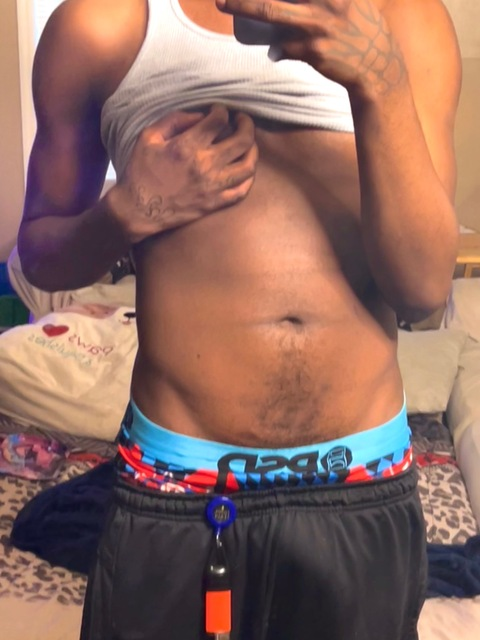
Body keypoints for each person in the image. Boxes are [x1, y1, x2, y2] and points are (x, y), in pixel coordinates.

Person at [17, 0, 461, 638]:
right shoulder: (103, 26)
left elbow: (422, 290)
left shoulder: (406, 22)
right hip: (178, 488)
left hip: (360, 482)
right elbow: (39, 256)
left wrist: (380, 82)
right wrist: (126, 210)